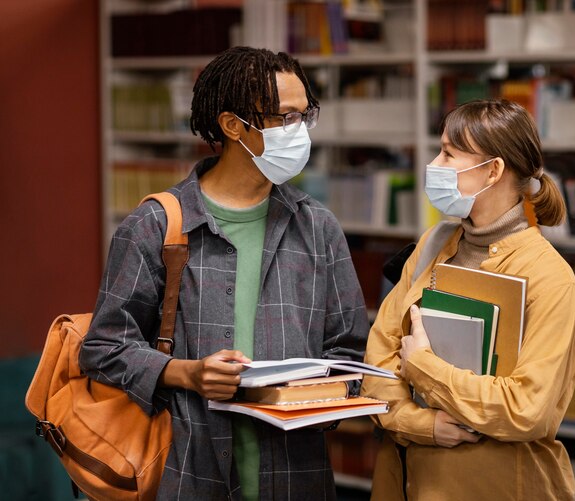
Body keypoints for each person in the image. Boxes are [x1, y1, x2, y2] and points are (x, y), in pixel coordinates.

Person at [79, 46, 369, 500]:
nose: (299, 132)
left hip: (297, 478)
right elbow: (103, 348)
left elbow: (349, 352)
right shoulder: (156, 226)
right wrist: (185, 373)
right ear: (234, 126)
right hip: (189, 473)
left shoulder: (319, 228)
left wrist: (314, 396)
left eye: (304, 116)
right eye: (284, 118)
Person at [361, 99, 575, 500]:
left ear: (493, 170)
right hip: (407, 483)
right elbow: (377, 365)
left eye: (448, 152)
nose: (435, 163)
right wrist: (422, 425)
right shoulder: (431, 246)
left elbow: (525, 410)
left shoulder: (550, 278)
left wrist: (424, 367)